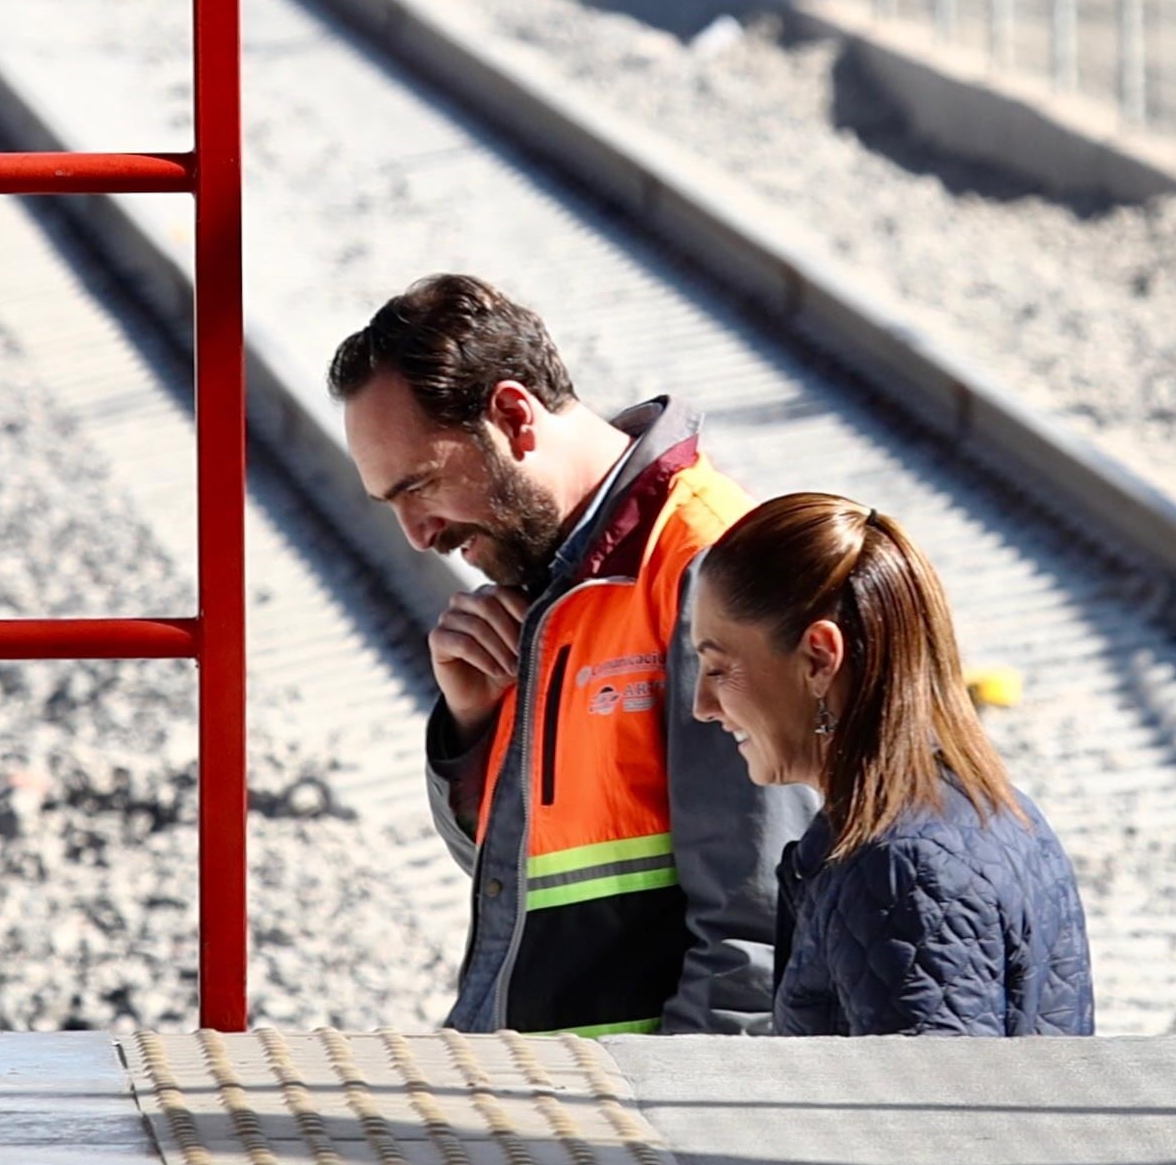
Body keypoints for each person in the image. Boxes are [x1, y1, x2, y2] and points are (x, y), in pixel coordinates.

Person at [328, 274, 816, 1036]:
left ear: (513, 416)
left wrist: (684, 1130)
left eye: (420, 486)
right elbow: (522, 881)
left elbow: (759, 929)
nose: (417, 534)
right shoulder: (559, 581)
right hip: (555, 1107)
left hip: (633, 1123)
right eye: (390, 504)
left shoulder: (707, 564)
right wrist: (471, 727)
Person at [690, 492, 1094, 1036]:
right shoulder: (988, 808)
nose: (702, 705)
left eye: (717, 668)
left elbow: (934, 1118)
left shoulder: (902, 873)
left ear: (818, 658)